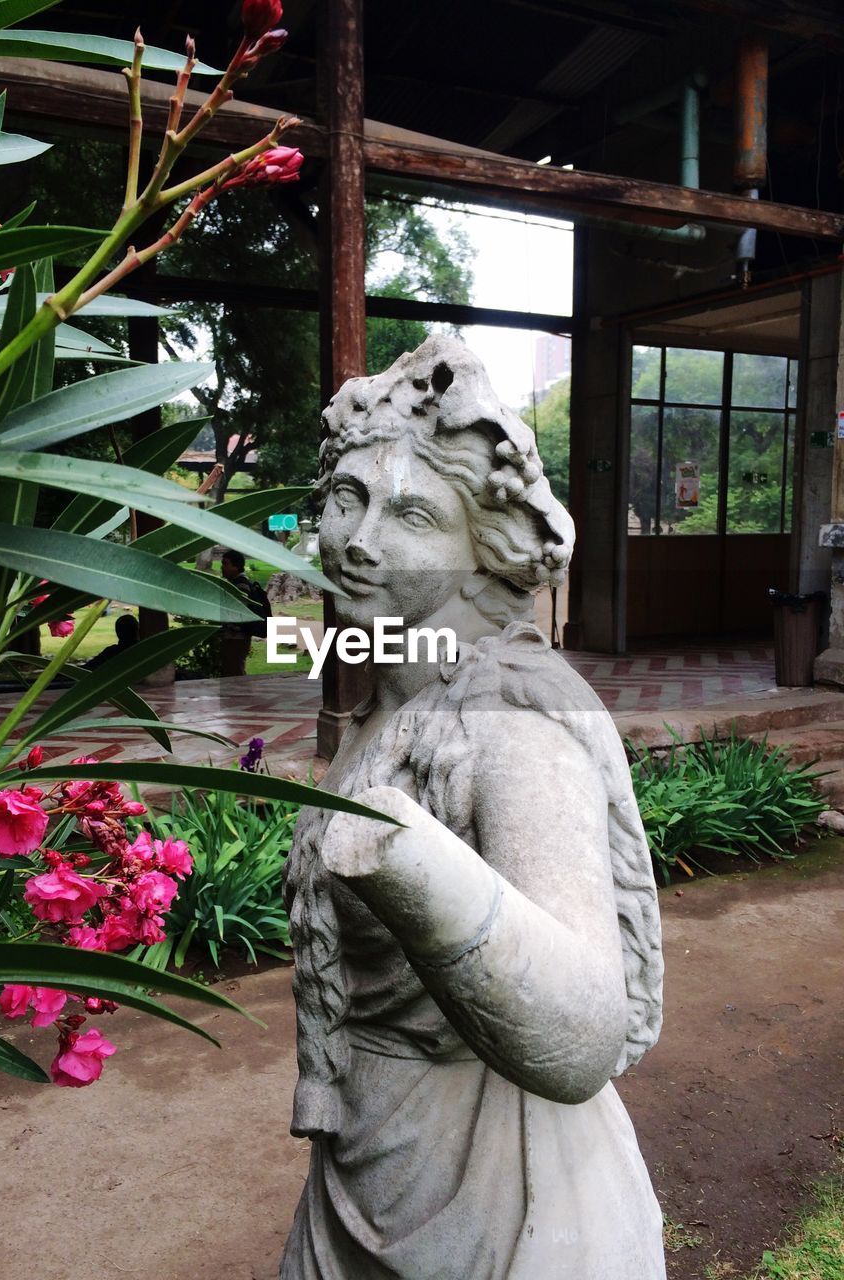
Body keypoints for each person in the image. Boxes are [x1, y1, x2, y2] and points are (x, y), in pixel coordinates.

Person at [281, 336, 666, 1279]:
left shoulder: (512, 721)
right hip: (367, 1158)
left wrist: (410, 859)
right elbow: (295, 644)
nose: (360, 541)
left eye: (411, 512)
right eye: (346, 501)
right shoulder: (385, 695)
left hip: (498, 1181)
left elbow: (580, 1034)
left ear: (478, 545)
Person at [219, 548, 271, 677]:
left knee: (235, 671)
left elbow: (237, 612)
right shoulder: (235, 584)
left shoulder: (241, 586)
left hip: (236, 637)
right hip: (234, 636)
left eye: (226, 564)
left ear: (236, 566)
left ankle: (240, 696)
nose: (222, 567)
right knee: (232, 670)